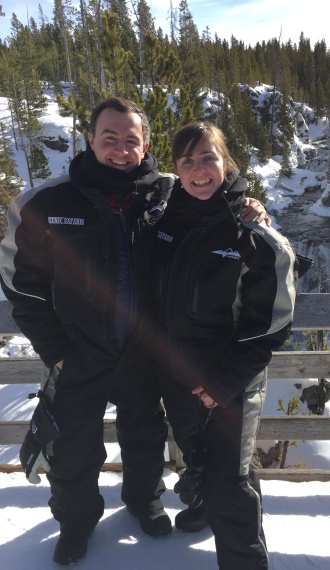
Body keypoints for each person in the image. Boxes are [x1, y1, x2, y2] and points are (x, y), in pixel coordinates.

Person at [0, 97, 269, 566]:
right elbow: (20, 284)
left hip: (144, 352)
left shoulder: (168, 192)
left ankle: (144, 503)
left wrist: (249, 207)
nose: (121, 149)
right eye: (110, 138)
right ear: (90, 140)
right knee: (71, 447)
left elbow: (214, 207)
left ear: (144, 144)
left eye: (131, 140)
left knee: (143, 434)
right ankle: (77, 523)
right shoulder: (47, 202)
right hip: (78, 351)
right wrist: (53, 348)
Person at [141, 121, 298, 569]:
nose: (199, 170)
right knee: (202, 460)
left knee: (231, 481)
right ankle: (206, 506)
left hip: (230, 384)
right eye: (187, 161)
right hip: (178, 377)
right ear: (176, 169)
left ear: (225, 160)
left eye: (208, 157)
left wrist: (222, 384)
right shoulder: (167, 217)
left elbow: (270, 324)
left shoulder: (250, 230)